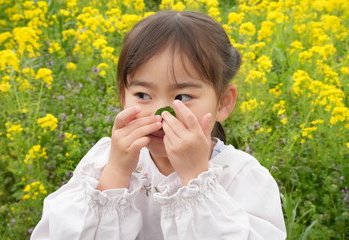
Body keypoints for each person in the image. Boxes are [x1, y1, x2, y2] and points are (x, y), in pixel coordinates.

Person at [31, 11, 286, 239]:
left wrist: (195, 181)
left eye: (182, 97)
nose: (160, 113)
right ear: (122, 96)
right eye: (142, 95)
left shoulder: (241, 176)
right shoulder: (102, 162)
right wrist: (117, 173)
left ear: (223, 103)